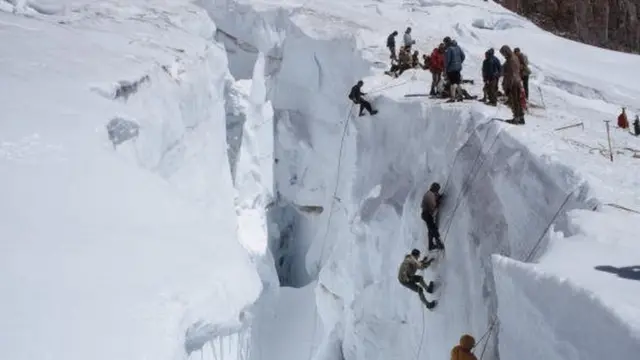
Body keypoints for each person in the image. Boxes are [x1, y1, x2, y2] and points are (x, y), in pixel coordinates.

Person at [499, 45, 525, 124]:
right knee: (518, 100)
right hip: (517, 81)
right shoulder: (514, 58)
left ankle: (516, 117)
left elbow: (511, 74)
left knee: (514, 101)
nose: (503, 55)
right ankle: (521, 117)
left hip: (513, 83)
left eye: (503, 53)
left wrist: (508, 86)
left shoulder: (511, 60)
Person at [421, 182, 445, 251]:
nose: (437, 191)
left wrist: (438, 199)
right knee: (433, 228)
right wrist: (438, 201)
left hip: (426, 214)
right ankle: (437, 242)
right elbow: (433, 205)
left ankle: (431, 245)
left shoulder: (430, 194)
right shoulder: (430, 194)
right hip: (427, 214)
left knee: (431, 229)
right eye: (437, 189)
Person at [443, 37, 466, 102]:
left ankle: (452, 98)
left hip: (451, 69)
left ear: (447, 42)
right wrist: (459, 62)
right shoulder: (458, 47)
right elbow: (463, 56)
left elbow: (447, 60)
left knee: (453, 83)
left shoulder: (449, 49)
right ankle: (460, 96)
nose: (444, 44)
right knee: (457, 82)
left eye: (445, 42)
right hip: (458, 68)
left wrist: (446, 68)